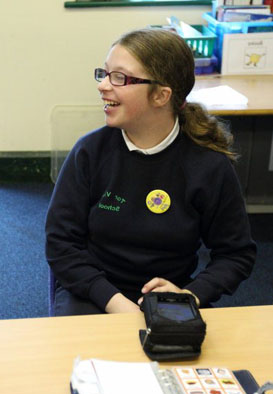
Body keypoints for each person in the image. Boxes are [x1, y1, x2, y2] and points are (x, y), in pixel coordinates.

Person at [45, 28, 256, 316]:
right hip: (95, 289)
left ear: (161, 96)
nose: (103, 86)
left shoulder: (208, 166)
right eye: (104, 73)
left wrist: (191, 294)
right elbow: (61, 244)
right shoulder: (89, 153)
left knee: (177, 359)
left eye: (119, 77)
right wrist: (115, 301)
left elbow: (236, 254)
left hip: (171, 295)